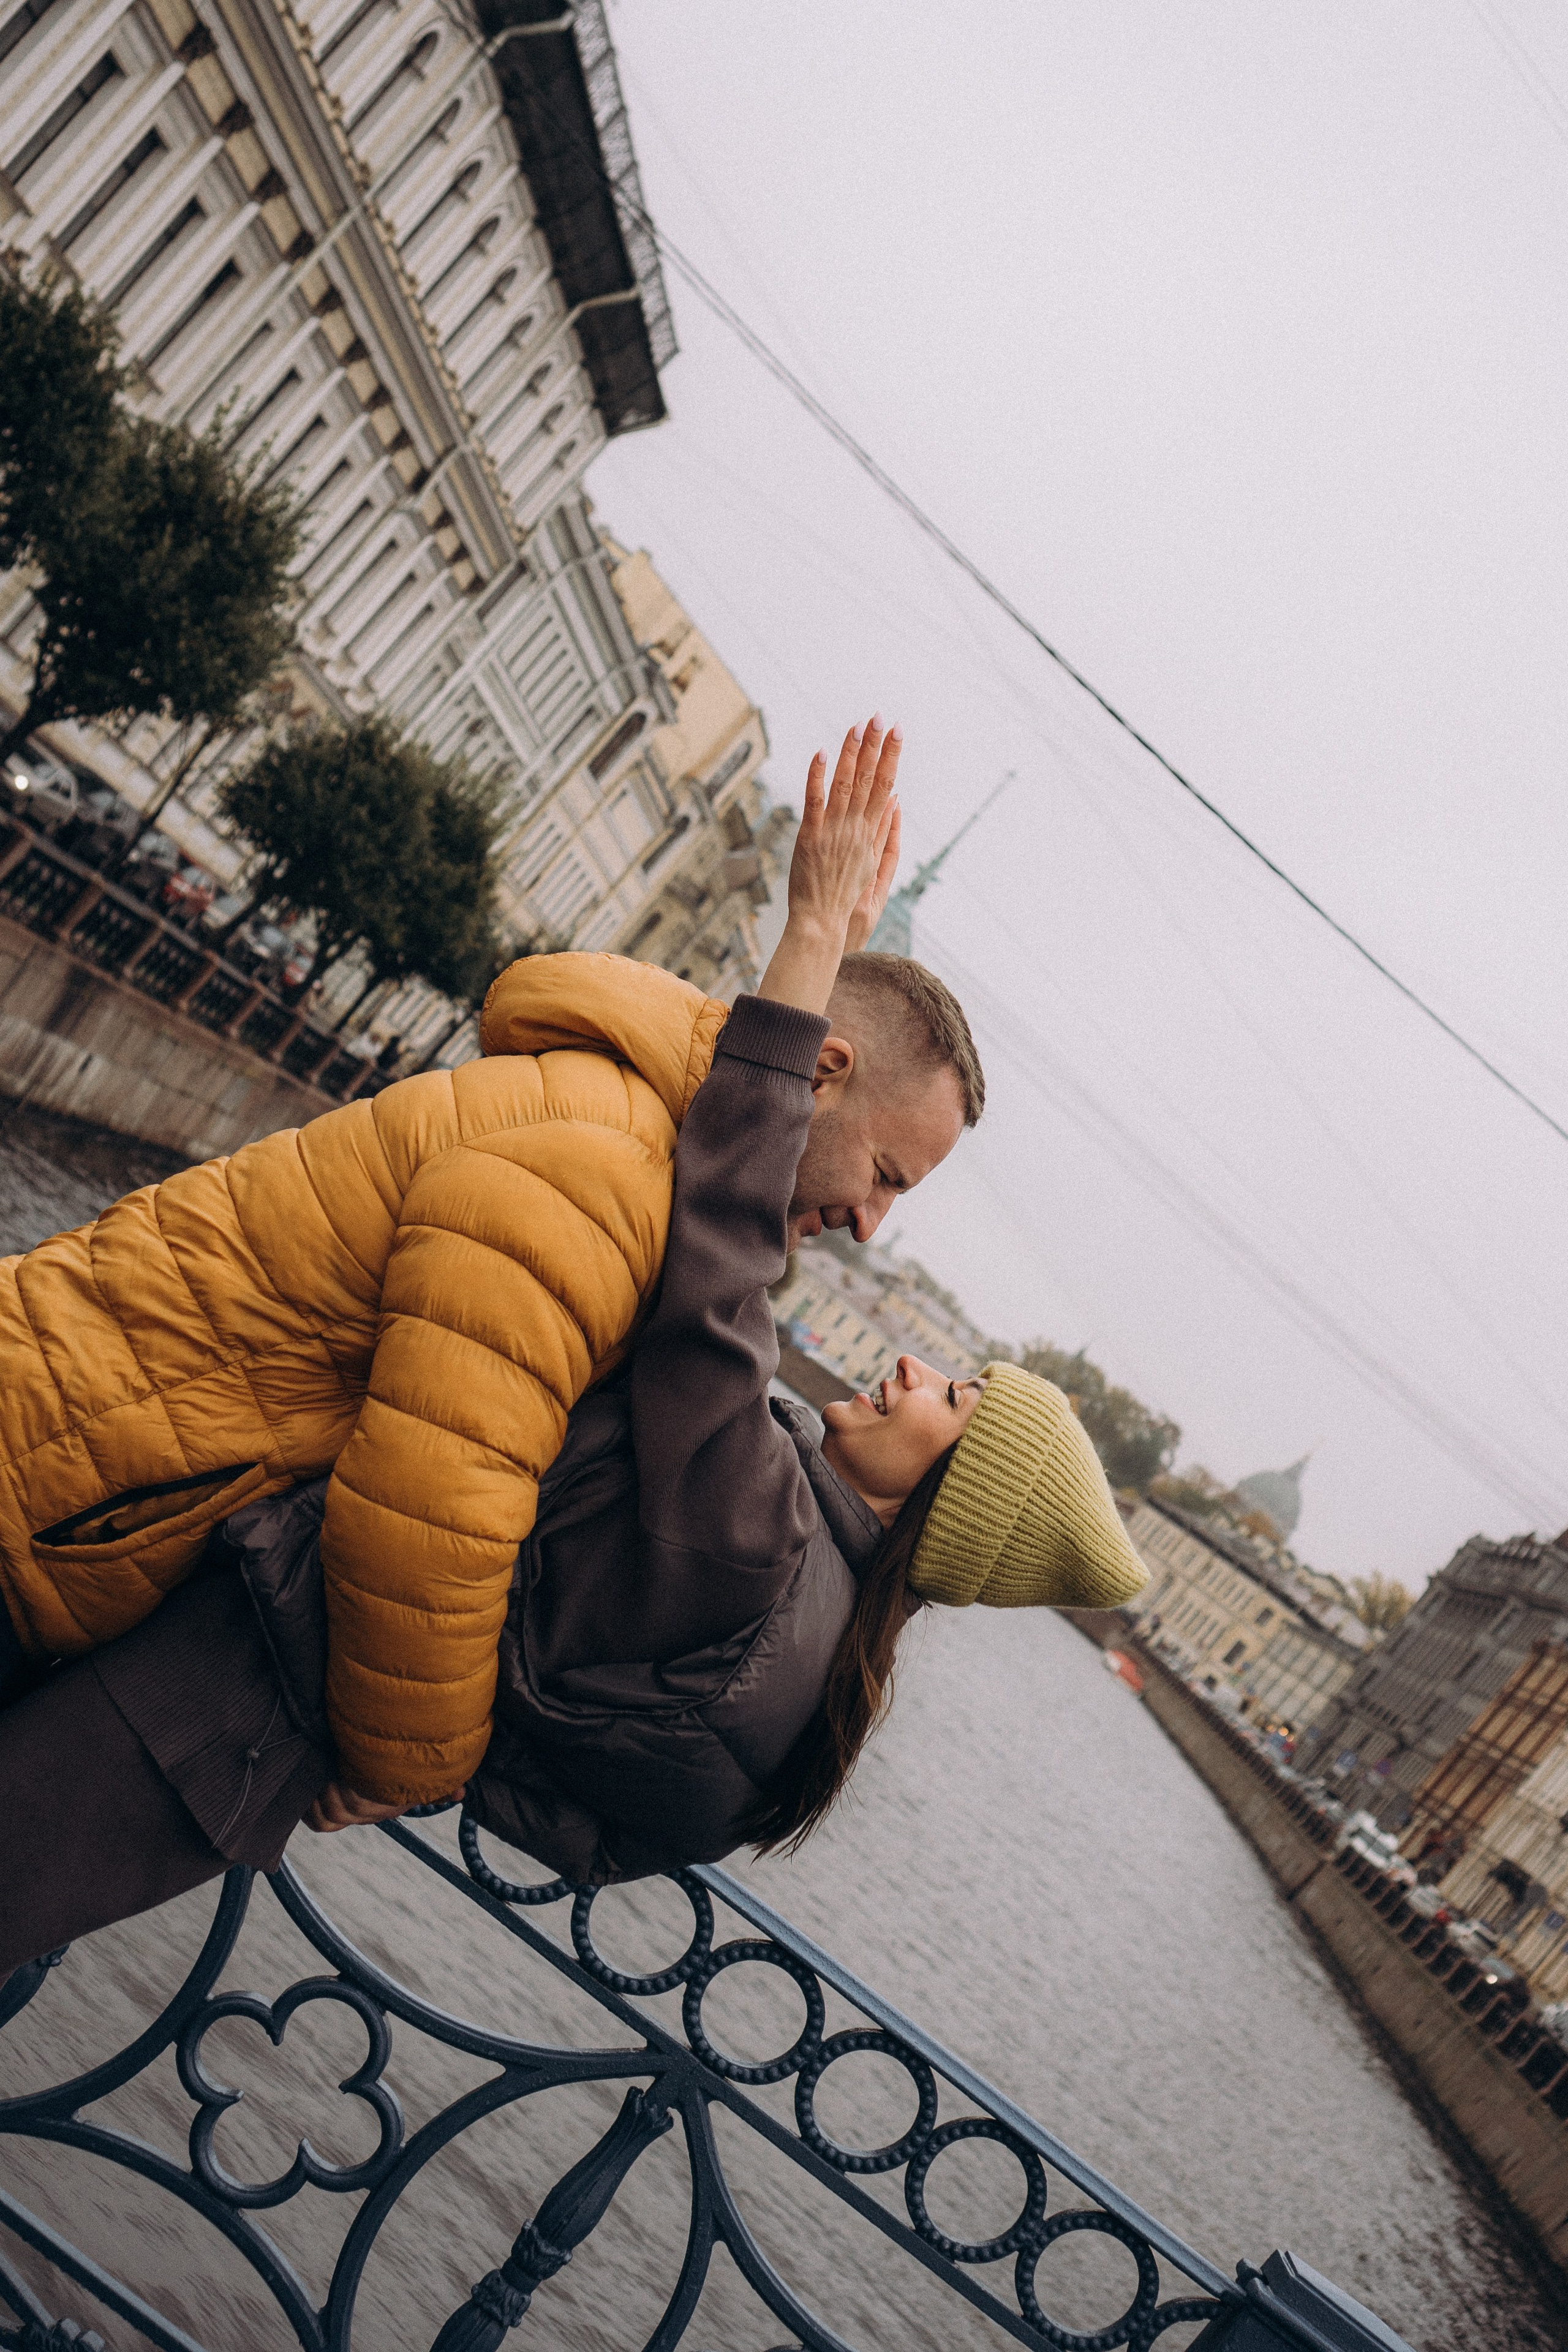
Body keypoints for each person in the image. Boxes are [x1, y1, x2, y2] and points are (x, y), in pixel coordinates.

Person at [0, 727, 1147, 1972]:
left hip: (88, 1489)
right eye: (881, 1175)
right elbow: (431, 1499)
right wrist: (410, 1762)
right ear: (816, 1074)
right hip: (57, 1476)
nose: (870, 1225)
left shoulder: (638, 1170)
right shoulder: (608, 1180)